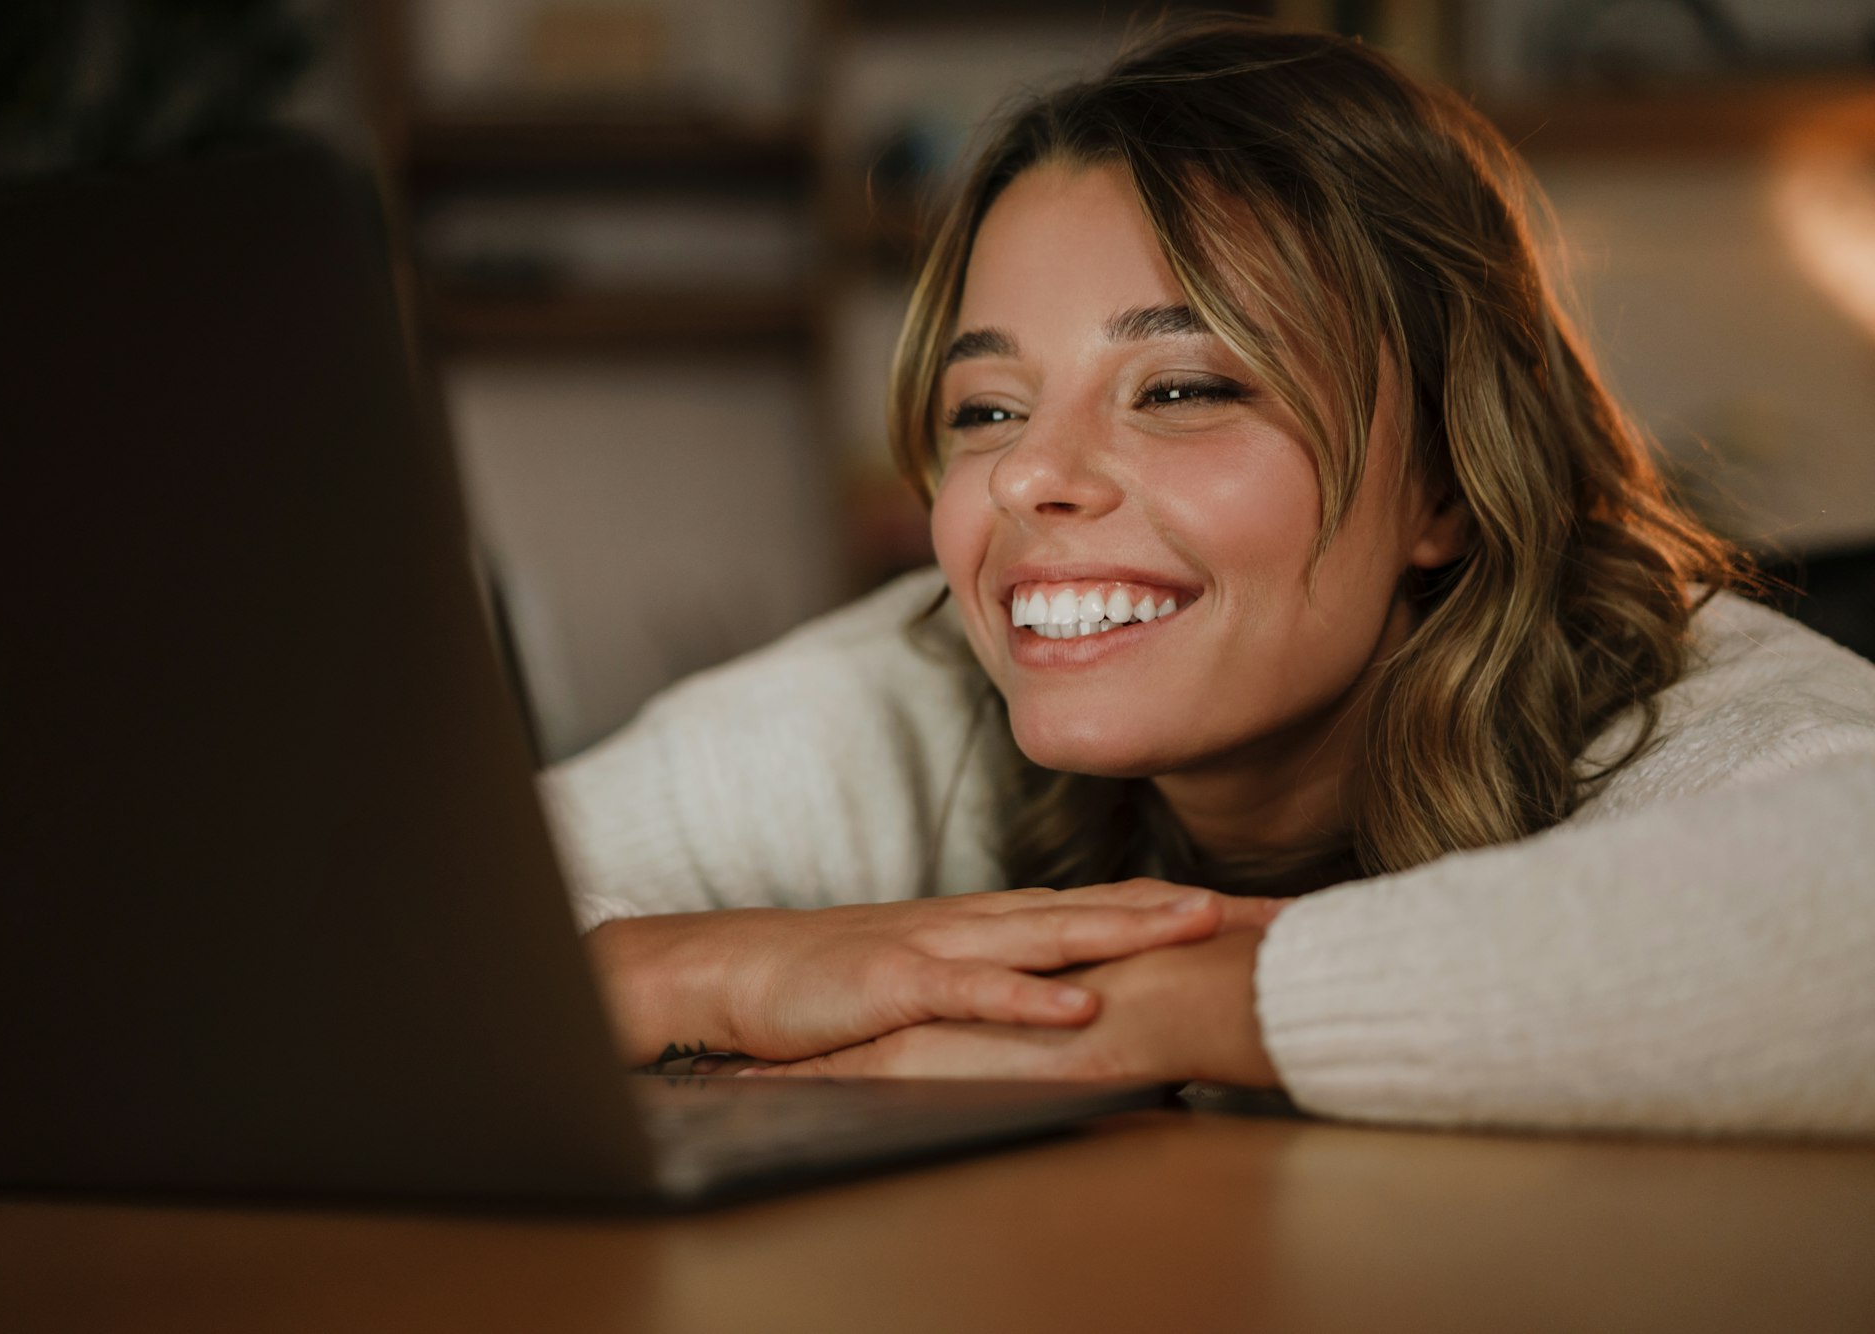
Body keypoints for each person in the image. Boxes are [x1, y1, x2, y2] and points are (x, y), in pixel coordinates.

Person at [542, 17, 1875, 1135]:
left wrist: (1153, 1010)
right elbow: (373, 919)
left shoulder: (1688, 703)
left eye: (1180, 387)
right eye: (987, 409)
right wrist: (690, 967)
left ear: (1450, 483)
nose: (1027, 478)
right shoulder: (908, 692)